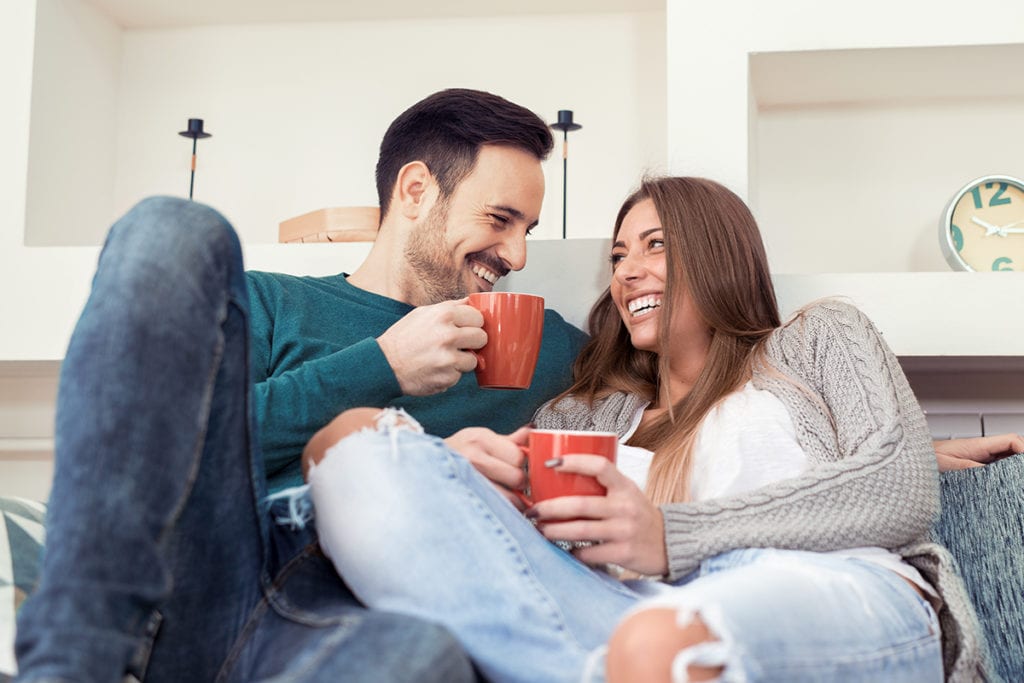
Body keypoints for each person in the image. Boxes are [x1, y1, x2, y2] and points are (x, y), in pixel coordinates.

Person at [300, 176, 999, 683]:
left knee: (662, 646)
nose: (628, 270)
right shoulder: (586, 414)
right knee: (353, 443)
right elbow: (544, 557)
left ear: (719, 252)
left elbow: (900, 487)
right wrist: (472, 479)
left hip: (838, 594)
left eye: (655, 245)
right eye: (618, 256)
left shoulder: (815, 339)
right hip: (628, 611)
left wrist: (673, 535)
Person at [14, 88, 586, 681]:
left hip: (356, 624)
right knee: (174, 227)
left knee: (422, 658)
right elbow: (169, 448)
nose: (517, 254)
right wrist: (381, 366)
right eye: (499, 219)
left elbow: (671, 380)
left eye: (529, 229)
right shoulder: (270, 302)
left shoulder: (539, 342)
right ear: (416, 190)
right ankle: (71, 661)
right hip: (216, 583)